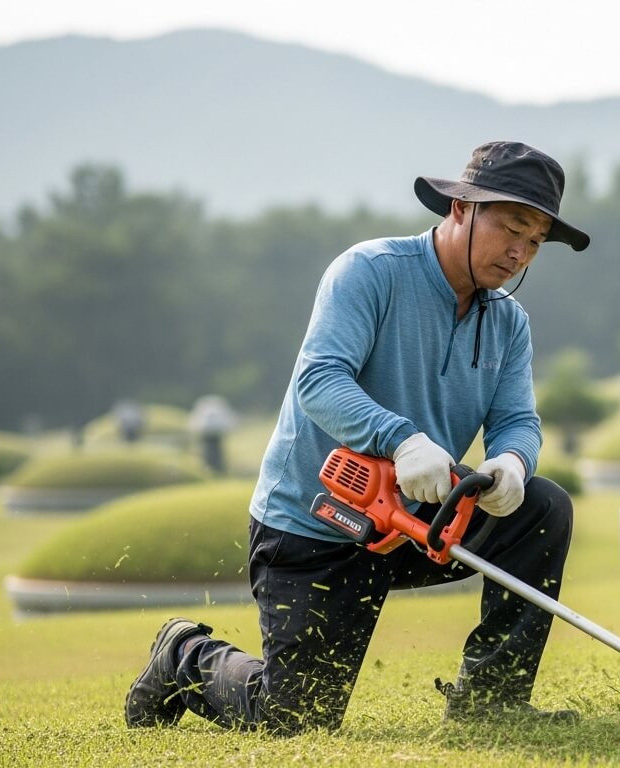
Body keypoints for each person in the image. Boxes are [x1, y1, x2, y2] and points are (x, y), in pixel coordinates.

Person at [124, 141, 592, 735]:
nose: (520, 253)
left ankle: (491, 702)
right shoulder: (369, 272)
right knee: (295, 717)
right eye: (512, 229)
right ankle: (181, 654)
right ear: (460, 209)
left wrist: (512, 461)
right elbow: (318, 380)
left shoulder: (509, 322)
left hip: (420, 522)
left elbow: (518, 420)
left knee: (543, 506)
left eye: (536, 241)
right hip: (316, 529)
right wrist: (399, 439)